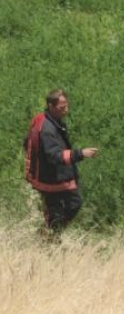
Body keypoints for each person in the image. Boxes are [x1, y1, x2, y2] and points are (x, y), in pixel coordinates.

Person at [23, 89, 99, 233]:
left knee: (63, 209)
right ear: (51, 106)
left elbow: (27, 143)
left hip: (54, 176)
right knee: (70, 205)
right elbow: (54, 155)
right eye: (62, 107)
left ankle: (50, 235)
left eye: (66, 106)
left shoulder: (49, 121)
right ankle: (50, 235)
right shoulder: (47, 129)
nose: (66, 110)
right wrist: (80, 153)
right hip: (51, 180)